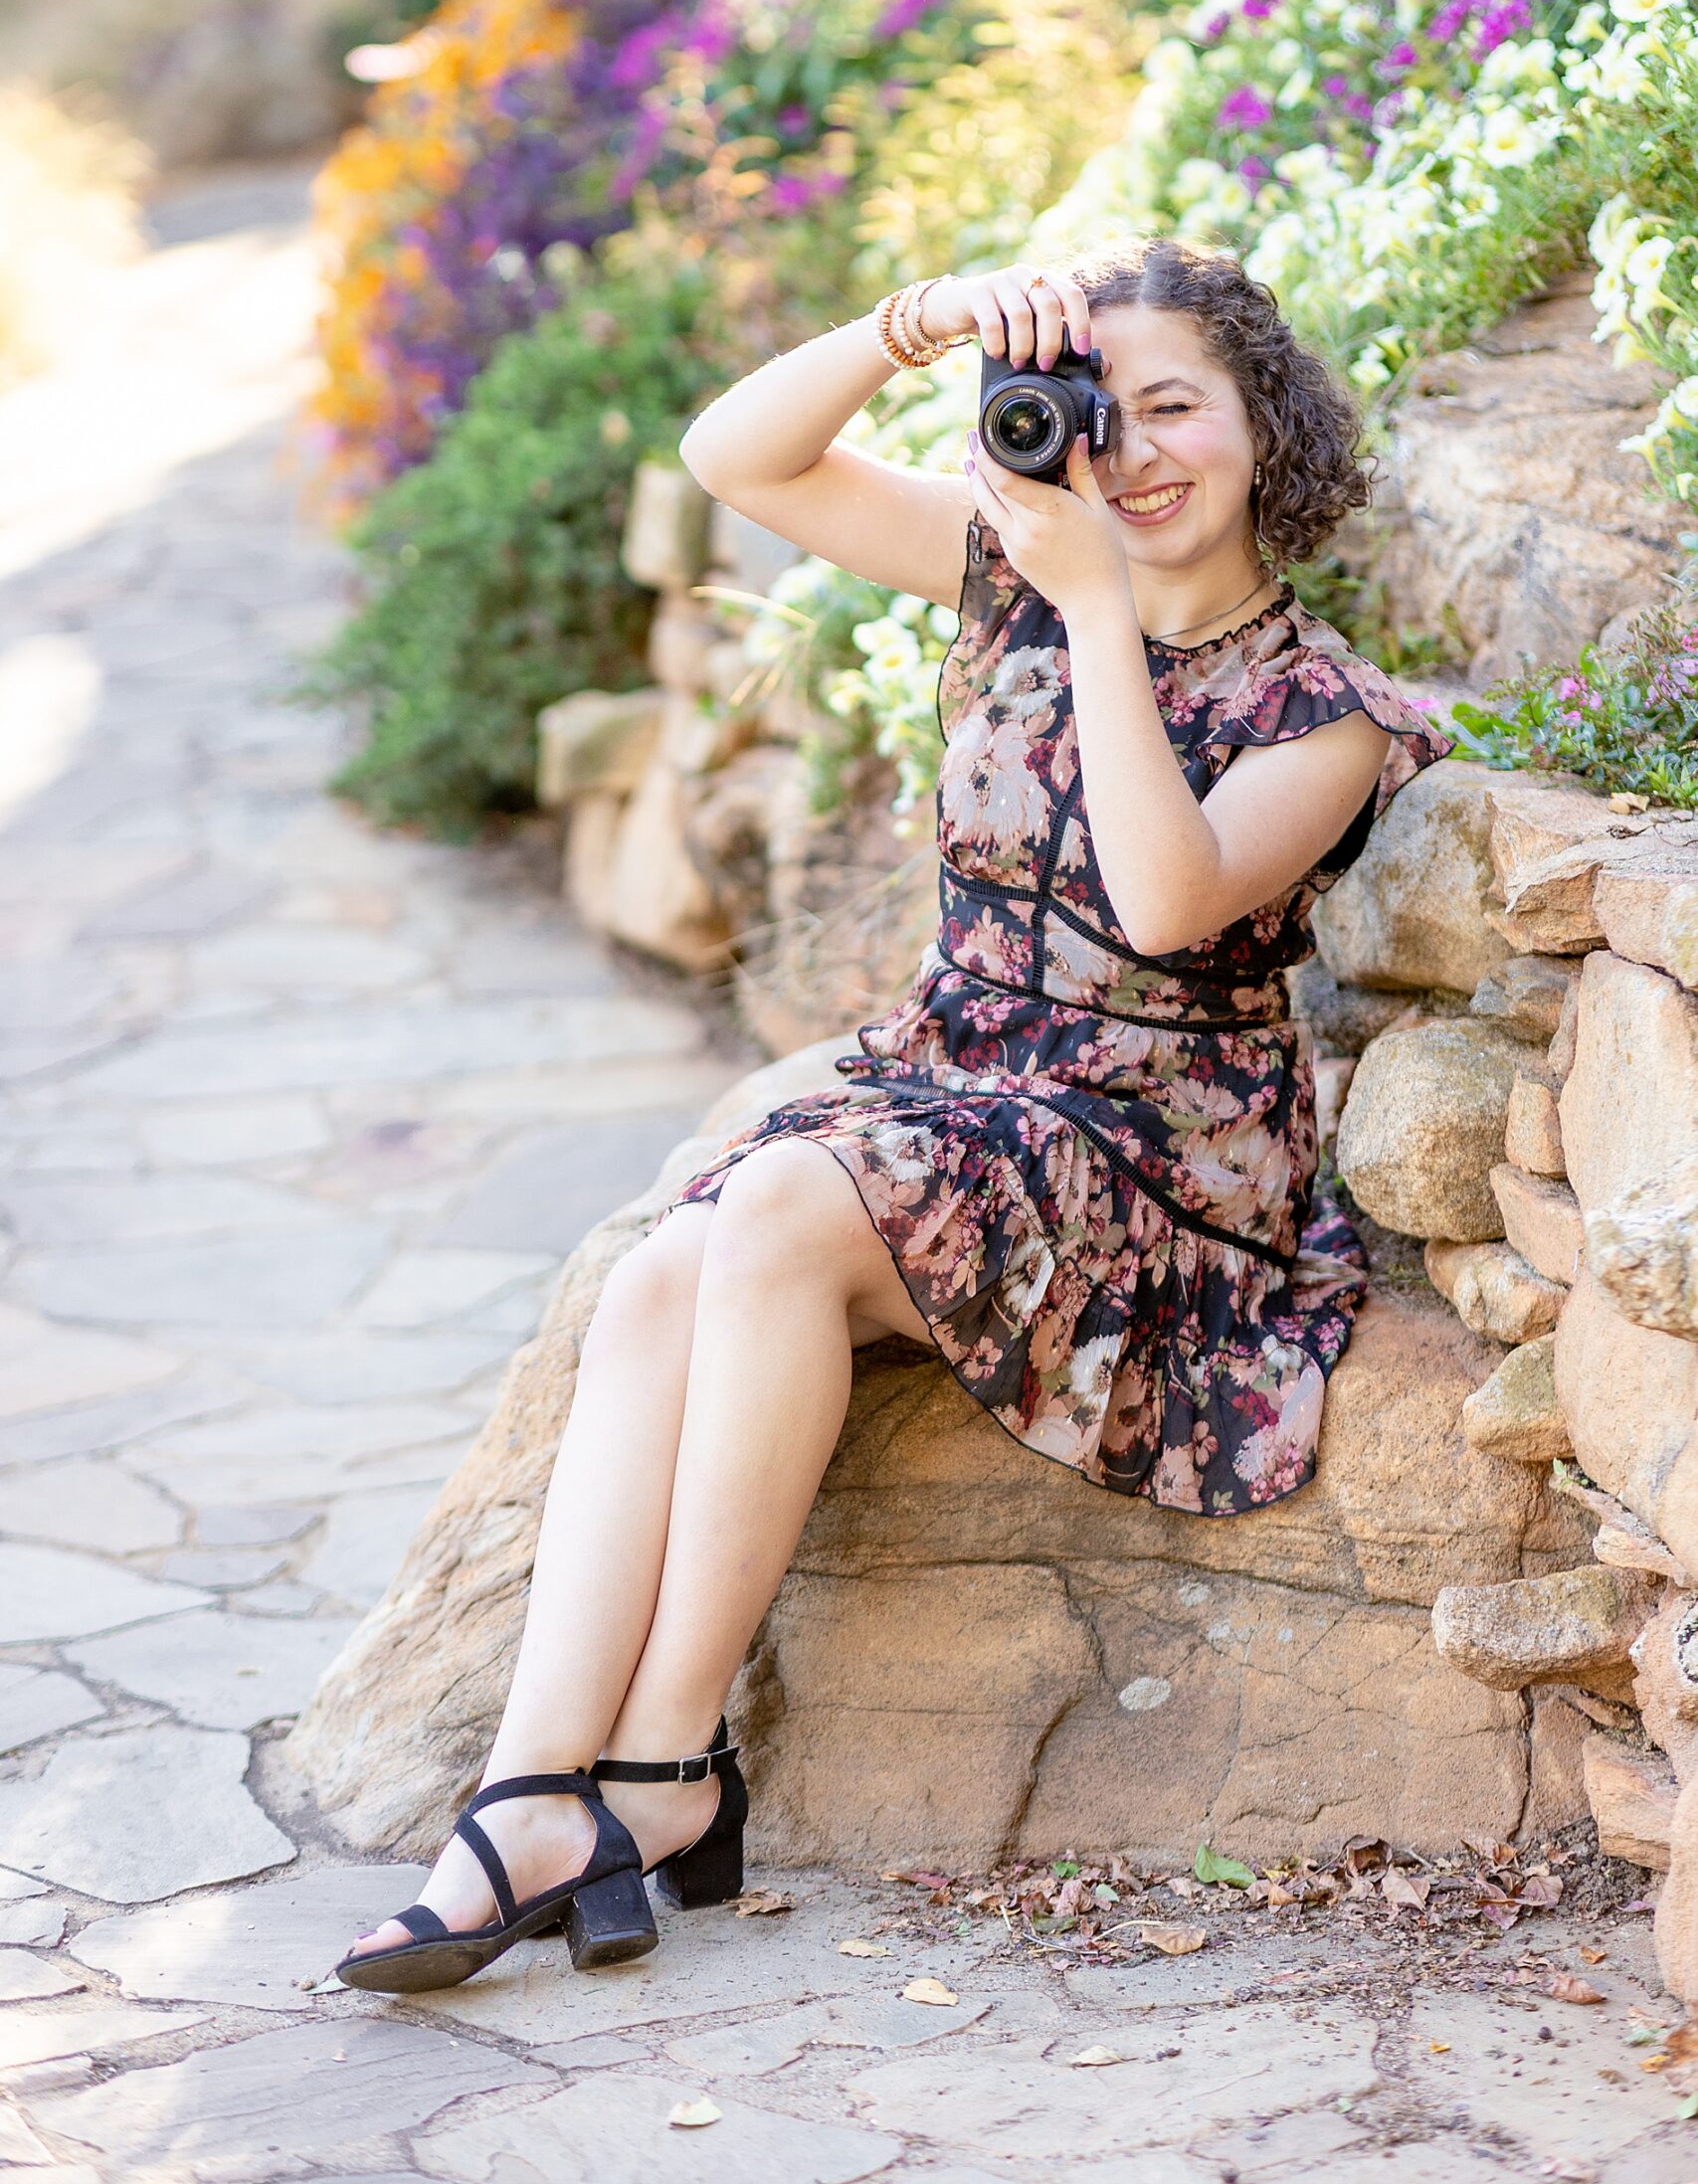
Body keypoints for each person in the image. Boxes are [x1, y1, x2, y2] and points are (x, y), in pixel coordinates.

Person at [336, 236, 1451, 1994]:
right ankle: (537, 1786)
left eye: (1178, 408)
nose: (1134, 455)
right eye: (1097, 410)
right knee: (662, 1272)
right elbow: (737, 459)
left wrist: (1099, 605)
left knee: (777, 1208)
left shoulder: (1325, 711)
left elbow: (1166, 904)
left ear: (1267, 427)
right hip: (954, 1082)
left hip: (1154, 1158)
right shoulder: (1005, 564)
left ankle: (664, 1759)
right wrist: (916, 322)